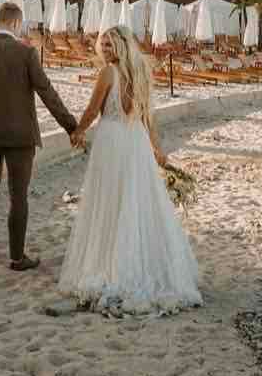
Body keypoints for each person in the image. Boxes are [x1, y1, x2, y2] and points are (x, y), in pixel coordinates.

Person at [59, 25, 202, 313]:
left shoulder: (108, 73)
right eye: (104, 45)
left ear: (122, 46)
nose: (106, 50)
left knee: (111, 201)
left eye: (110, 45)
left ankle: (113, 267)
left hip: (112, 140)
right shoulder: (140, 72)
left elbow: (91, 109)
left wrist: (78, 132)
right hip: (134, 139)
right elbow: (146, 117)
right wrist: (155, 149)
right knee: (135, 199)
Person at [0, 1, 78, 271]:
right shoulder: (26, 53)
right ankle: (16, 257)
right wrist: (71, 126)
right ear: (15, 23)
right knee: (18, 194)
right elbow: (47, 92)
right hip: (21, 136)